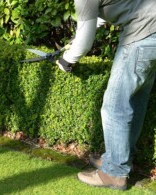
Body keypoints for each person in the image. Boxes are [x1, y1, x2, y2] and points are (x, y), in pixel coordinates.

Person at [56, 0, 156, 190]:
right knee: (136, 99)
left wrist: (67, 60)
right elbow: (101, 15)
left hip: (141, 35)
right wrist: (77, 37)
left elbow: (85, 42)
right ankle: (120, 159)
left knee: (114, 107)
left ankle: (115, 172)